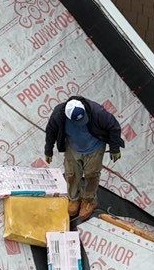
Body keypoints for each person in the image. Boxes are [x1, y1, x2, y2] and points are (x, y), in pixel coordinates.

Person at [43, 95, 126, 223]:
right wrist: (48, 151)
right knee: (71, 174)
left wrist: (115, 149)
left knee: (91, 175)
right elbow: (51, 131)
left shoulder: (97, 112)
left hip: (95, 148)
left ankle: (88, 200)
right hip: (73, 147)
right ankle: (74, 199)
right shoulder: (58, 115)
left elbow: (114, 127)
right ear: (68, 116)